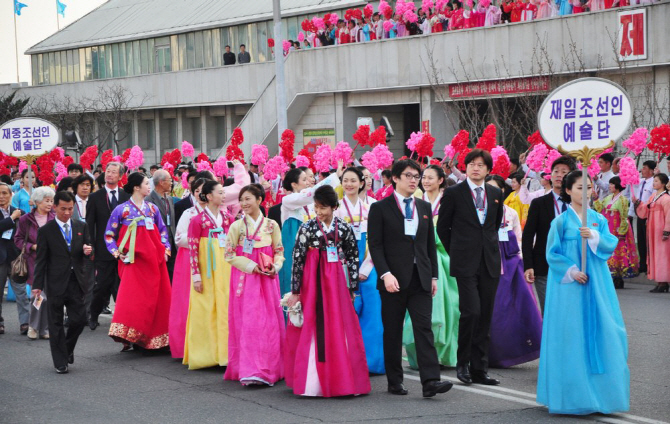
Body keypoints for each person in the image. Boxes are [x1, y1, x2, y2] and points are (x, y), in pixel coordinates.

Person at [537, 170, 629, 415]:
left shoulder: (598, 219)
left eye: (588, 187)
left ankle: (602, 397)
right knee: (571, 336)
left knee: (606, 331)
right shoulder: (560, 222)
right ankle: (572, 397)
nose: (586, 192)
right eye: (579, 187)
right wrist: (572, 271)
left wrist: (595, 236)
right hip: (570, 286)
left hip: (597, 283)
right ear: (568, 191)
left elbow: (611, 243)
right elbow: (552, 254)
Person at [370, 159, 453, 397]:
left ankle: (430, 382)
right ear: (395, 178)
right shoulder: (380, 208)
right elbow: (375, 246)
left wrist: (434, 277)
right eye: (408, 175)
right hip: (393, 279)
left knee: (424, 329)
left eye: (417, 176)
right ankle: (394, 381)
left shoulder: (423, 207)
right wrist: (385, 274)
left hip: (421, 278)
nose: (414, 180)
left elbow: (429, 246)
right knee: (393, 331)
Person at [285, 185, 370, 397]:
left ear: (334, 207)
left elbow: (352, 257)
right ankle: (314, 379)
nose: (319, 211)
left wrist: (352, 286)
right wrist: (295, 290)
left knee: (339, 323)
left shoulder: (343, 227)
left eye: (323, 207)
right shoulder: (307, 228)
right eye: (316, 207)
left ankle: (341, 375)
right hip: (313, 280)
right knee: (315, 322)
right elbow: (297, 258)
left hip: (337, 281)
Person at [437, 149, 504, 386]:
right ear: (466, 167)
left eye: (481, 165)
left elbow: (493, 226)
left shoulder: (496, 193)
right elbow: (442, 228)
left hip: (489, 262)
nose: (476, 168)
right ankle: (462, 363)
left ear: (488, 169)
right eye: (472, 164)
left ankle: (480, 369)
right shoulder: (454, 193)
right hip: (464, 263)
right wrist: (457, 251)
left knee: (485, 316)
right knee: (471, 312)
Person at [224, 184, 286, 385]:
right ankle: (251, 370)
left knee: (269, 322)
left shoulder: (271, 225)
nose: (244, 203)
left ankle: (271, 366)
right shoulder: (237, 226)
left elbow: (279, 250)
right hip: (246, 277)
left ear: (260, 200)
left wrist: (275, 267)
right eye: (242, 200)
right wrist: (250, 266)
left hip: (267, 279)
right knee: (249, 322)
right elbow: (229, 254)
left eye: (248, 199)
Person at [105, 172, 172, 351]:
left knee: (158, 298)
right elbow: (109, 235)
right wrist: (117, 254)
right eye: (145, 183)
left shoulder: (152, 209)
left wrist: (165, 250)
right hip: (134, 261)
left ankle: (158, 339)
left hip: (155, 260)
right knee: (135, 300)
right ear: (136, 187)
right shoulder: (121, 210)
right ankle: (134, 335)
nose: (149, 186)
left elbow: (163, 231)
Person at [404, 165, 460, 369]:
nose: (425, 181)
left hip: (444, 257)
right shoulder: (415, 200)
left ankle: (445, 353)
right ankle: (422, 355)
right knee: (421, 311)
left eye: (430, 178)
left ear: (441, 180)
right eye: (423, 177)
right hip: (420, 257)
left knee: (450, 307)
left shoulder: (449, 200)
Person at [32, 191, 93, 374]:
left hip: (76, 281)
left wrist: (88, 250)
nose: (67, 212)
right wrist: (37, 284)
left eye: (70, 209)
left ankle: (66, 348)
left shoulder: (81, 226)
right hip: (55, 282)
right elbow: (41, 259)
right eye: (63, 209)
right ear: (55, 207)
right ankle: (60, 361)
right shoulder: (46, 231)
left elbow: (88, 249)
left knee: (79, 319)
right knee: (56, 322)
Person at [485, 175, 542, 368]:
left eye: (496, 189)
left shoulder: (511, 213)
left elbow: (519, 239)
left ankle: (509, 353)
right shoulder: (479, 212)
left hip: (510, 266)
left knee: (511, 310)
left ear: (502, 191)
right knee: (490, 310)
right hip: (486, 264)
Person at [334, 167, 384, 374]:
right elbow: (333, 243)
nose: (349, 184)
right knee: (345, 313)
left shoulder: (372, 208)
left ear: (362, 182)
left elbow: (378, 241)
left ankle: (371, 362)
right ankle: (347, 361)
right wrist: (348, 267)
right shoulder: (336, 211)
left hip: (369, 267)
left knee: (373, 313)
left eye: (354, 180)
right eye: (345, 180)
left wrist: (367, 266)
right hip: (342, 266)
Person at [183, 180, 232, 369]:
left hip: (225, 268)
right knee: (205, 309)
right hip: (207, 270)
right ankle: (206, 354)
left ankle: (225, 352)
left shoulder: (228, 218)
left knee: (225, 308)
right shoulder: (197, 220)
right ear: (209, 196)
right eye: (220, 192)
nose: (223, 195)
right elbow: (193, 249)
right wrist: (196, 276)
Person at [522, 156, 576, 313]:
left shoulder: (578, 203)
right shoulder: (539, 203)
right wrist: (528, 265)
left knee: (570, 309)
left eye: (564, 172)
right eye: (556, 171)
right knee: (549, 310)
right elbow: (528, 234)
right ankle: (549, 338)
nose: (559, 175)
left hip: (573, 264)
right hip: (544, 265)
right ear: (550, 175)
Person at [278, 169, 340, 296]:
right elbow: (309, 195)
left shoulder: (310, 204)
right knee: (293, 274)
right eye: (304, 179)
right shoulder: (288, 200)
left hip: (311, 243)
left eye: (310, 178)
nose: (309, 181)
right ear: (294, 184)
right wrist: (335, 176)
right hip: (294, 243)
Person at [86, 162, 130, 330]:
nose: (109, 175)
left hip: (123, 249)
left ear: (120, 176)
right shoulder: (95, 197)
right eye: (107, 172)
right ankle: (94, 314)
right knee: (102, 285)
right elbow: (90, 224)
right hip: (103, 248)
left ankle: (123, 318)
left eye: (113, 172)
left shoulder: (126, 197)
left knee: (121, 286)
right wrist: (90, 246)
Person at [169, 177, 207, 359]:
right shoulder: (189, 213)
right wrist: (201, 239)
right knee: (188, 300)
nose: (201, 194)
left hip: (211, 260)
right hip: (189, 259)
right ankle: (186, 343)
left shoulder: (220, 214)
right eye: (198, 190)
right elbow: (179, 238)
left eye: (205, 190)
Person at [15, 186, 56, 340]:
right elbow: (18, 239)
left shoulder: (54, 217)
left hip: (52, 262)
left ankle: (44, 328)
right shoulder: (26, 219)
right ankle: (33, 326)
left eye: (51, 200)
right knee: (38, 296)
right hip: (33, 261)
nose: (50, 203)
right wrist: (31, 246)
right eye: (47, 200)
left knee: (49, 297)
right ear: (38, 201)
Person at [594, 176, 639, 288]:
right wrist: (595, 199)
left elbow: (624, 217)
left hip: (617, 229)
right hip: (608, 229)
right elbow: (600, 209)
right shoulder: (608, 197)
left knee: (619, 252)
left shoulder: (623, 200)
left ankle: (618, 278)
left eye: (611, 184)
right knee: (610, 252)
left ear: (618, 185)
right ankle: (612, 276)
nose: (609, 186)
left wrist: (622, 232)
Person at [0, 182, 27, 336]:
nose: (2, 197)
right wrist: (11, 218)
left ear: (11, 195)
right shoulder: (14, 215)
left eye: (5, 193)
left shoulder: (20, 212)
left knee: (21, 293)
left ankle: (25, 323)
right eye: (0, 193)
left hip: (16, 258)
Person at [636, 173, 670, 293]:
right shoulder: (653, 196)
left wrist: (667, 230)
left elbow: (669, 216)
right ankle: (660, 281)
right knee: (655, 254)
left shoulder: (666, 198)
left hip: (661, 230)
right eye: (654, 181)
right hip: (652, 229)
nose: (654, 183)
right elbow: (645, 209)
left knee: (662, 255)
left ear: (663, 184)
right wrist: (637, 203)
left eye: (656, 181)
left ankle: (664, 281)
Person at [71, 174, 95, 320]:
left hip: (91, 244)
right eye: (82, 184)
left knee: (90, 281)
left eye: (88, 185)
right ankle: (73, 313)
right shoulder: (70, 202)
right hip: (74, 245)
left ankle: (86, 313)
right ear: (76, 187)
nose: (85, 187)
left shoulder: (94, 200)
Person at [148, 170, 177, 280]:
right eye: (170, 180)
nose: (171, 183)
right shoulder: (149, 200)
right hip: (158, 246)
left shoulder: (169, 199)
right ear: (161, 182)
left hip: (172, 246)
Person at [629, 160, 656, 274]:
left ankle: (649, 264)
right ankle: (643, 264)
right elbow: (629, 181)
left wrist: (640, 203)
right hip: (638, 213)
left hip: (648, 214)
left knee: (648, 240)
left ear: (651, 171)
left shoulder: (653, 183)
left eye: (644, 168)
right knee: (640, 240)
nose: (642, 170)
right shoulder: (640, 181)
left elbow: (652, 199)